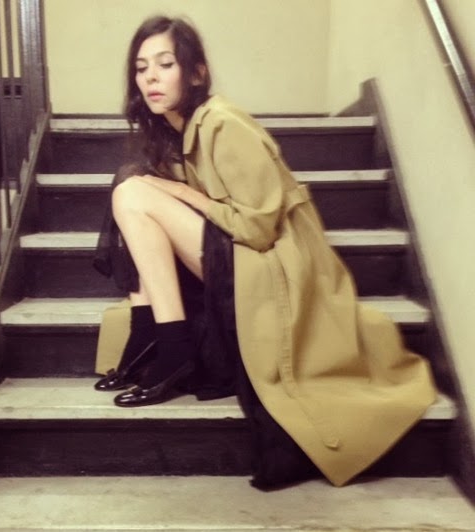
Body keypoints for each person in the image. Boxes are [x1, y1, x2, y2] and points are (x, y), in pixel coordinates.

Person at [93, 15, 437, 489]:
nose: (151, 77)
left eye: (165, 64)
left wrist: (183, 194)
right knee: (131, 181)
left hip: (273, 264)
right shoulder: (178, 131)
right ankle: (151, 335)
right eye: (141, 67)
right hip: (238, 254)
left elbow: (257, 229)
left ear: (196, 73)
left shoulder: (223, 123)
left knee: (135, 191)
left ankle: (170, 346)